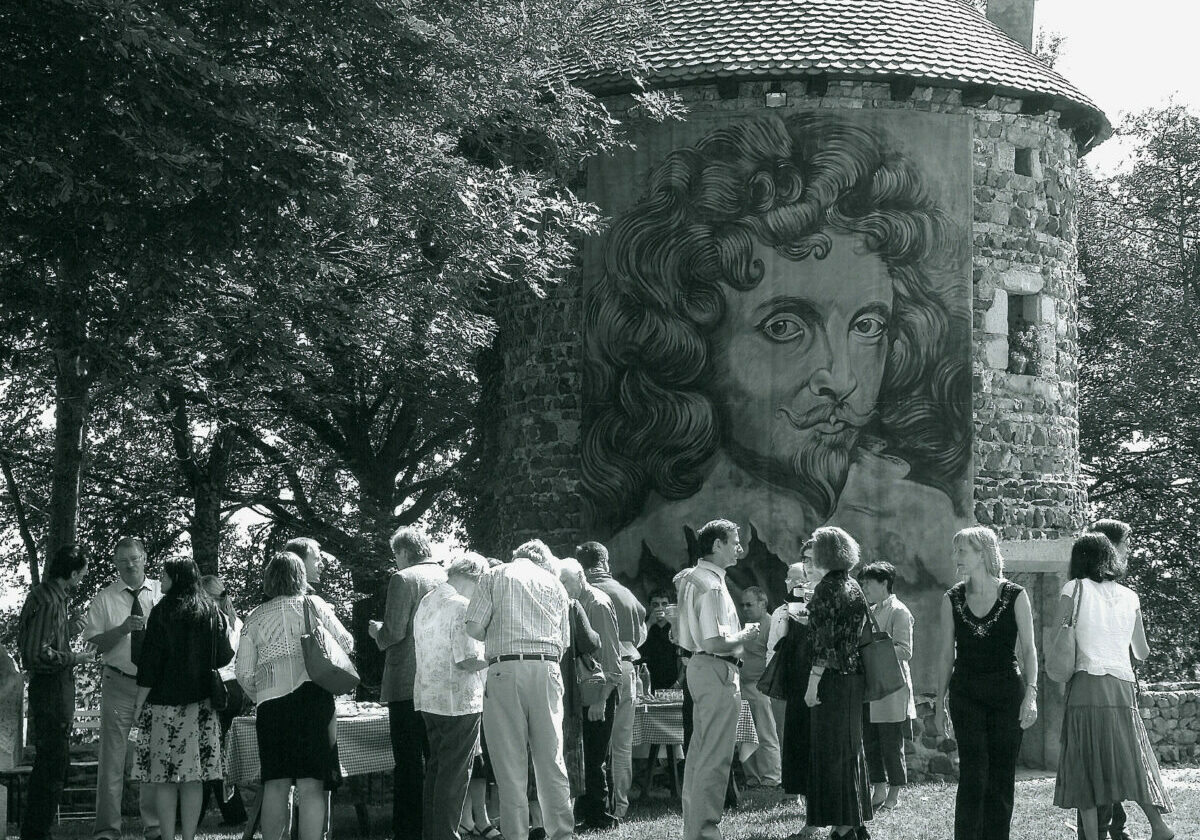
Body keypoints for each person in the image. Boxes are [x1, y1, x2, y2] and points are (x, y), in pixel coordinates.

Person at [583, 115, 971, 664]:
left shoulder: (934, 541)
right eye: (785, 327)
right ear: (692, 339)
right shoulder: (647, 550)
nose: (841, 379)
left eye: (867, 326)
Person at [1052, 533, 1175, 840]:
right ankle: (1159, 827)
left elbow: (1058, 634)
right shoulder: (1130, 596)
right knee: (1130, 759)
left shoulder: (1074, 588)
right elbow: (1142, 651)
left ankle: (1093, 837)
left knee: (1085, 763)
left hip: (1086, 684)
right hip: (1122, 687)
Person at [237, 552, 354, 840]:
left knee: (275, 783)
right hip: (314, 700)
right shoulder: (313, 604)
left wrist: (261, 694)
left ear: (269, 579)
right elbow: (346, 643)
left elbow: (243, 672)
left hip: (272, 708)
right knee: (311, 785)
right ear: (300, 576)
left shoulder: (254, 617)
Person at [933, 527, 1039, 840]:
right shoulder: (951, 598)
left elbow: (1029, 650)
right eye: (956, 551)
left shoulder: (1016, 595)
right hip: (965, 693)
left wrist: (1030, 695)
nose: (956, 558)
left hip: (1008, 692)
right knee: (974, 774)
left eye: (962, 551)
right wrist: (939, 704)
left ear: (982, 553)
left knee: (1001, 775)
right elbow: (944, 655)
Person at [464, 540, 574, 840]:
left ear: (517, 555)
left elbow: (473, 627)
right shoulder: (556, 585)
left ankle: (516, 836)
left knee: (510, 764)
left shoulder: (495, 575)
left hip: (505, 670)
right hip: (548, 669)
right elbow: (564, 642)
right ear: (544, 561)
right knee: (552, 759)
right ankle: (562, 833)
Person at [132, 559, 233, 840]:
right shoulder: (211, 612)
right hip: (201, 705)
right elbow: (226, 655)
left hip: (163, 705)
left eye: (164, 575)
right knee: (194, 778)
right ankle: (188, 836)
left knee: (164, 778)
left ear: (176, 578)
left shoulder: (162, 612)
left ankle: (167, 836)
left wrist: (138, 705)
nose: (160, 579)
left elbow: (149, 665)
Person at [674, 519, 760, 840]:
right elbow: (713, 641)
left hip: (702, 667)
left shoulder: (692, 578)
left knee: (699, 754)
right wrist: (745, 635)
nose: (740, 547)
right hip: (716, 667)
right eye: (734, 541)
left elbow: (683, 636)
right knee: (715, 757)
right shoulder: (710, 584)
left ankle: (694, 830)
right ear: (717, 546)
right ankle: (706, 831)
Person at [83, 536, 163, 840]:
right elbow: (92, 644)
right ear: (115, 563)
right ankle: (107, 829)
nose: (129, 565)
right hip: (118, 682)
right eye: (122, 560)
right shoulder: (104, 599)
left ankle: (154, 827)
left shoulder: (160, 592)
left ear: (144, 558)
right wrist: (122, 630)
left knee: (153, 757)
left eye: (134, 558)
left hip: (155, 687)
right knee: (112, 761)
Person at [369, 527, 446, 840]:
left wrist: (376, 631)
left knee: (408, 762)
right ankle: (437, 825)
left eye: (395, 555)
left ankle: (407, 829)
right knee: (437, 760)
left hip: (406, 683)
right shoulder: (446, 577)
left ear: (402, 552)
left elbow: (395, 632)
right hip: (440, 680)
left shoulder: (404, 579)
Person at [413, 553, 490, 840]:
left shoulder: (426, 600)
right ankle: (445, 834)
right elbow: (467, 659)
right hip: (457, 702)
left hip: (429, 698)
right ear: (473, 574)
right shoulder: (460, 605)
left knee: (436, 772)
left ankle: (433, 834)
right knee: (454, 777)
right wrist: (494, 657)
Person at [16, 544, 89, 840]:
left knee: (53, 761)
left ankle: (36, 830)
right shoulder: (48, 600)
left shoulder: (50, 597)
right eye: (81, 575)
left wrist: (68, 630)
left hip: (54, 689)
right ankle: (36, 831)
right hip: (50, 690)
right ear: (71, 573)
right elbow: (35, 654)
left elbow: (45, 638)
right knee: (52, 763)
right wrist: (75, 658)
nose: (81, 580)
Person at [803, 527, 872, 840]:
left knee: (831, 752)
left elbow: (824, 643)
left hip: (832, 678)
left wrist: (811, 684)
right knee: (849, 749)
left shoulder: (826, 588)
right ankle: (851, 820)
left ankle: (842, 824)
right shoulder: (852, 584)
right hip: (854, 677)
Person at [1073, 518, 1135, 840]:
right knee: (1102, 762)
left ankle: (1105, 830)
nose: (1128, 550)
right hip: (1105, 683)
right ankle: (1104, 830)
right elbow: (1139, 648)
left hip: (1100, 681)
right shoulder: (1088, 590)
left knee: (1102, 762)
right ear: (1109, 547)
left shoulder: (1116, 593)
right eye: (1124, 543)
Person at [576, 540, 646, 820]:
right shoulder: (625, 592)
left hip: (597, 671)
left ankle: (598, 805)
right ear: (605, 562)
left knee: (593, 745)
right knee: (621, 744)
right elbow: (642, 633)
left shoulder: (585, 592)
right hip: (629, 667)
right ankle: (621, 804)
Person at [558, 557, 622, 831]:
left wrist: (602, 698)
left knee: (595, 759)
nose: (561, 586)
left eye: (565, 581)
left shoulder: (595, 603)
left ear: (581, 577)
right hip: (583, 692)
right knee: (587, 757)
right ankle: (589, 813)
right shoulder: (576, 602)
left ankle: (601, 816)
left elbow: (610, 656)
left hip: (597, 692)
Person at [857, 562, 915, 811]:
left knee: (891, 744)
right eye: (863, 583)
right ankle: (878, 788)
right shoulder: (869, 610)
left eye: (869, 582)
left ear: (884, 583)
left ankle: (894, 793)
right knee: (870, 741)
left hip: (892, 688)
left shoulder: (899, 611)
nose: (864, 587)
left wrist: (874, 651)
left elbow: (905, 650)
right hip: (870, 686)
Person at [199, 575, 249, 825]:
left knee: (210, 753)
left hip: (219, 691)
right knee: (214, 753)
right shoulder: (236, 622)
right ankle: (231, 812)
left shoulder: (213, 623)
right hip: (235, 690)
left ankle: (233, 812)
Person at [767, 551, 815, 810]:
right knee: (784, 734)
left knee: (800, 733)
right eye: (790, 580)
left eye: (799, 579)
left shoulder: (808, 604)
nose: (793, 584)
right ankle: (790, 788)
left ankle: (804, 790)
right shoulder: (778, 611)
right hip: (781, 679)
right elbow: (772, 649)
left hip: (802, 677)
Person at [737, 586, 781, 789]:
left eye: (750, 604)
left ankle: (771, 778)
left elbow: (774, 659)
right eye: (743, 605)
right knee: (745, 734)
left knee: (765, 733)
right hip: (743, 686)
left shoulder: (771, 624)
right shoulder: (747, 625)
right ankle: (752, 777)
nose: (745, 608)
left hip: (761, 687)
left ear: (763, 604)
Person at [639, 589, 681, 692]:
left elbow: (683, 655)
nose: (660, 608)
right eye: (655, 604)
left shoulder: (675, 625)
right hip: (648, 678)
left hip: (672, 679)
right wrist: (649, 623)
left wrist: (679, 681)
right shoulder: (643, 623)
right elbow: (637, 647)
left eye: (664, 604)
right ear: (649, 606)